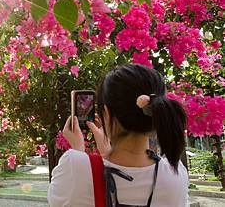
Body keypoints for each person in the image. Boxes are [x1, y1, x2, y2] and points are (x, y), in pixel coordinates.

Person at [48, 64, 189, 206]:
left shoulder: (75, 167)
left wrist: (78, 150)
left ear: (107, 113)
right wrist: (106, 152)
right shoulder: (176, 175)